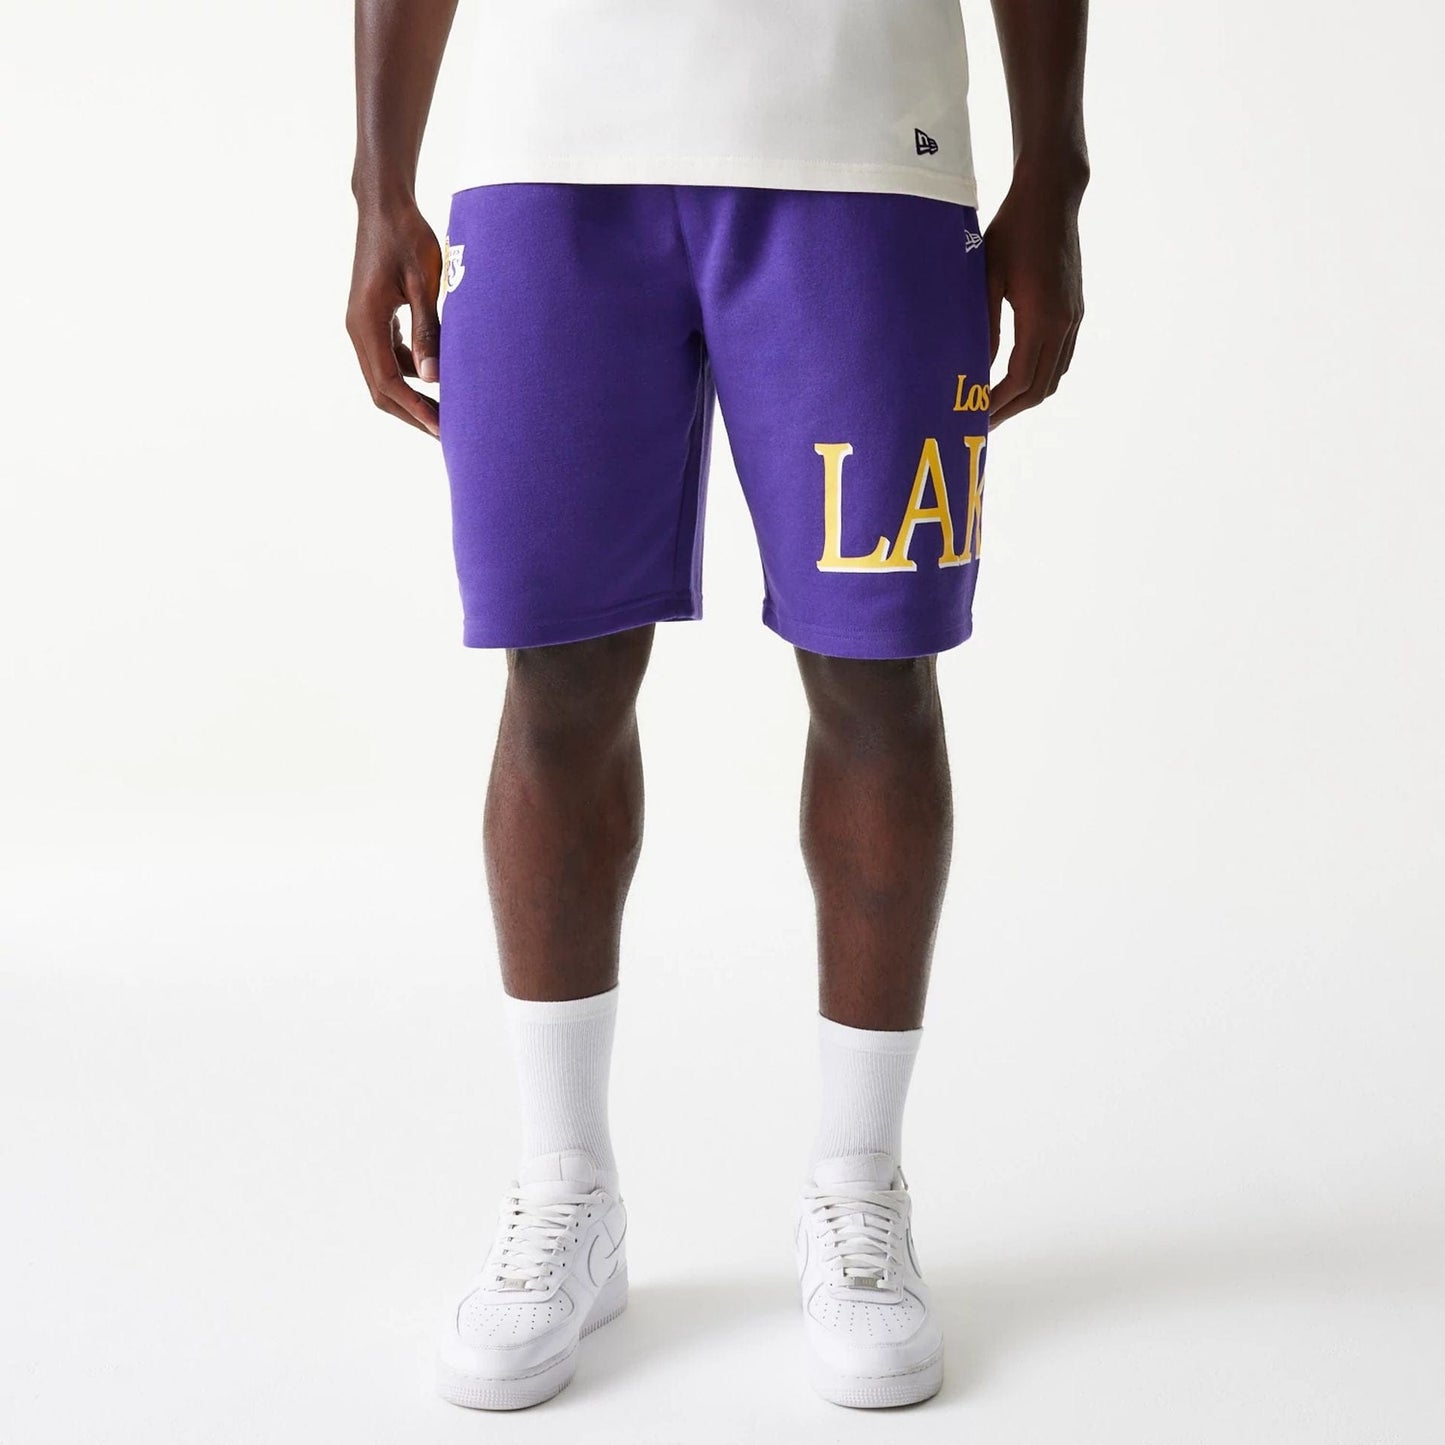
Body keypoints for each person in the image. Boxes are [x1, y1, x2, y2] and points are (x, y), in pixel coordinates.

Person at [347, 0, 1087, 1411]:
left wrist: (1052, 175)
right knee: (557, 671)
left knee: (875, 671)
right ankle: (565, 1186)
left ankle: (858, 1186)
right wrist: (379, 178)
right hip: (549, 146)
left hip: (863, 142)